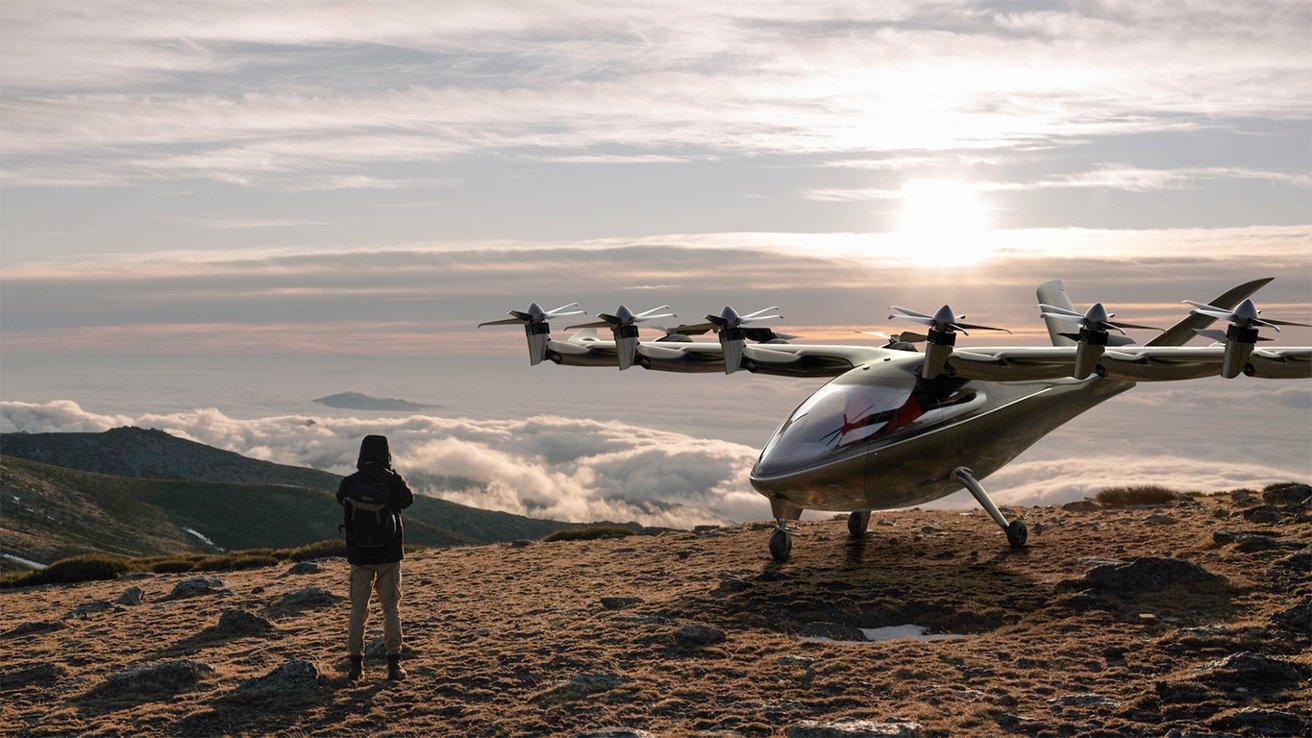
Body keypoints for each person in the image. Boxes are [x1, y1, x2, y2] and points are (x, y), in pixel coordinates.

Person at [337, 434, 414, 682]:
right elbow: (408, 501)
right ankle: (394, 665)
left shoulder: (351, 482)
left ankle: (356, 667)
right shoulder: (392, 482)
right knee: (391, 609)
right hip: (389, 556)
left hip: (359, 556)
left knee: (358, 610)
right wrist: (397, 479)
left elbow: (340, 499)